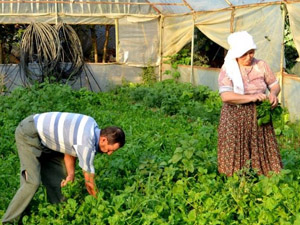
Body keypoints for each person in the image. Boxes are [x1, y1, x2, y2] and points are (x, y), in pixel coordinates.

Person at [2, 112, 125, 224]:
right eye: (110, 149)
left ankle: (57, 215)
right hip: (29, 134)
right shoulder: (86, 143)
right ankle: (8, 221)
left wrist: (71, 175)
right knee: (32, 182)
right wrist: (101, 205)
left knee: (59, 179)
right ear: (103, 139)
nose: (109, 153)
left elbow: (70, 148)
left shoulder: (92, 125)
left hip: (47, 143)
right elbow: (89, 183)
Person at [217, 31, 282, 177]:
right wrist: (251, 98)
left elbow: (274, 85)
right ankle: (236, 178)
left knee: (262, 145)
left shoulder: (261, 65)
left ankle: (264, 175)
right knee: (237, 146)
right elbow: (226, 96)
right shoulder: (229, 68)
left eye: (251, 52)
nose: (249, 57)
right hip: (235, 114)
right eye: (244, 54)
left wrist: (272, 94)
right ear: (236, 54)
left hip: (259, 114)